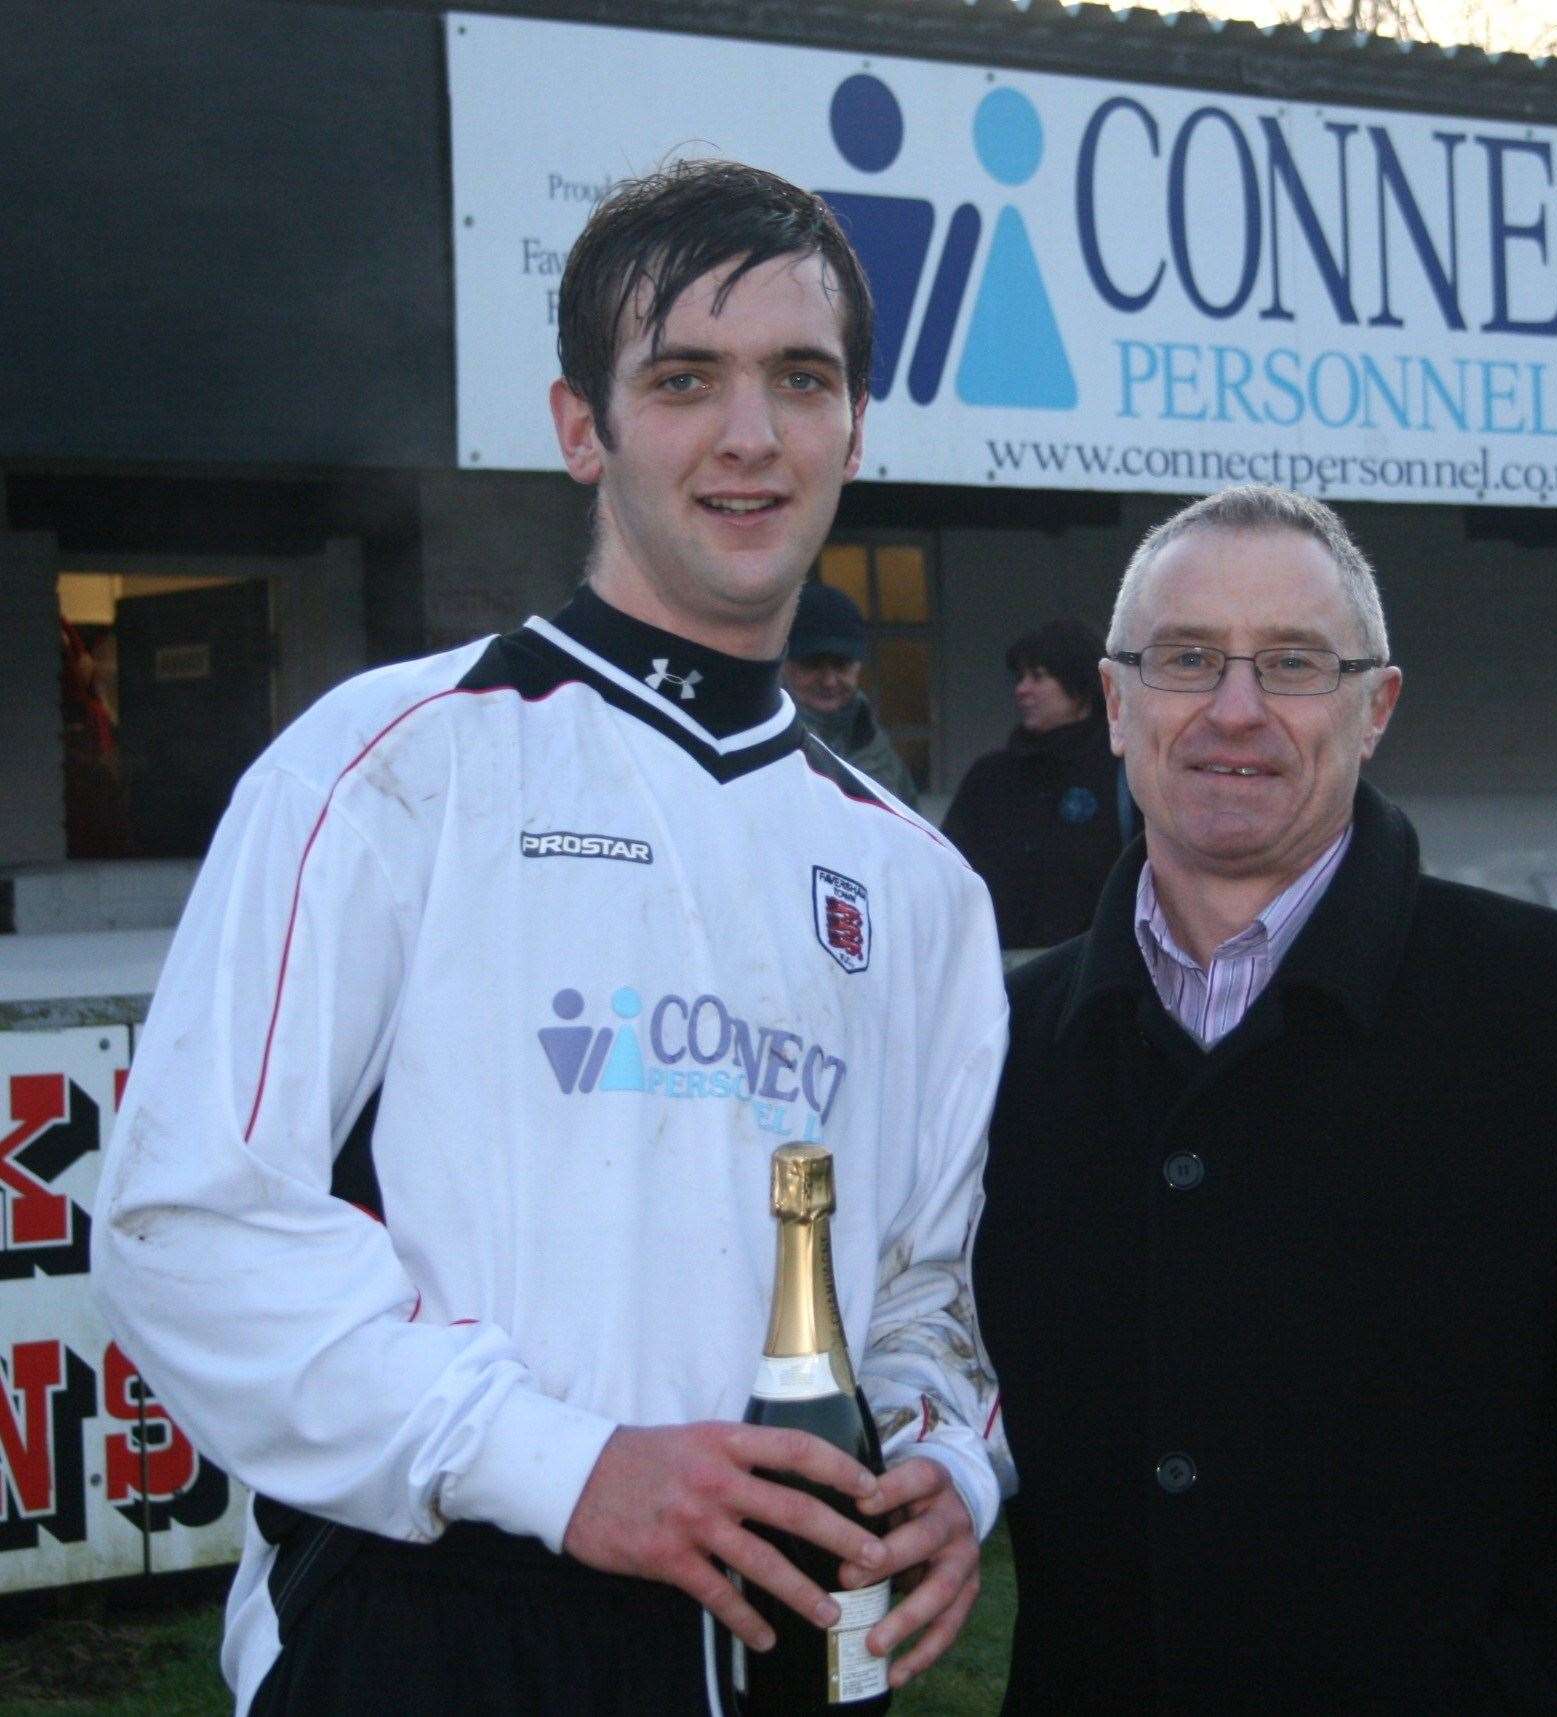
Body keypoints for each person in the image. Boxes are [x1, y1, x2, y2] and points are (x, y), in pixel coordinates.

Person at [92, 161, 1011, 1716]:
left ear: (857, 425)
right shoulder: (392, 762)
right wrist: (561, 1465)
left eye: (800, 378)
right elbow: (190, 1225)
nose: (748, 434)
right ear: (579, 426)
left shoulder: (918, 883)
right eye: (681, 380)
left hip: (794, 1641)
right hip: (444, 1618)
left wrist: (943, 1460)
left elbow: (922, 1290)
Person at [974, 485, 1557, 1713]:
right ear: (1117, 702)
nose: (1235, 709)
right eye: (1188, 658)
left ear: (1378, 709)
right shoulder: (1007, 1052)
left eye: (1295, 664)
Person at [941, 617, 1123, 947]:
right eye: (1020, 677)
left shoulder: (1121, 777)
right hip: (999, 975)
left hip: (1088, 978)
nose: (1022, 689)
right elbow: (944, 878)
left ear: (1080, 689)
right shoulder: (990, 778)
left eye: (1038, 677)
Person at [782, 579, 918, 803]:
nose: (829, 681)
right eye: (812, 664)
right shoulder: (759, 742)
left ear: (858, 667)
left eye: (841, 664)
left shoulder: (880, 751)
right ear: (783, 664)